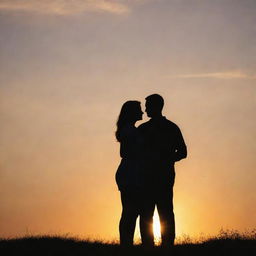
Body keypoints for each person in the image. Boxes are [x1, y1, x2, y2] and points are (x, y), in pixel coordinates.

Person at [138, 94, 187, 248]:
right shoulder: (169, 127)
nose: (145, 109)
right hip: (154, 176)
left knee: (156, 211)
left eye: (148, 106)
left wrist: (167, 158)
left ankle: (159, 246)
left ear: (156, 106)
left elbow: (183, 152)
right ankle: (159, 246)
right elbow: (182, 152)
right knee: (156, 211)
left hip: (159, 176)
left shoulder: (145, 129)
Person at [115, 100, 143, 247]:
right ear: (132, 112)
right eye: (139, 110)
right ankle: (125, 245)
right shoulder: (130, 130)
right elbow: (125, 152)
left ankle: (126, 244)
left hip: (129, 172)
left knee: (130, 211)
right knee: (130, 212)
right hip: (130, 174)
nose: (142, 112)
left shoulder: (130, 129)